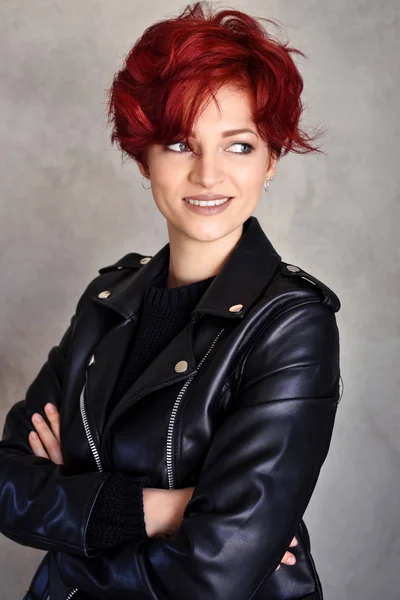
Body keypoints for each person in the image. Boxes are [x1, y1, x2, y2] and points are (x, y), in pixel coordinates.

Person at [0, 2, 342, 599]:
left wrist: (74, 519)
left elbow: (216, 570)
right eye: (181, 144)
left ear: (272, 161)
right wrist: (163, 509)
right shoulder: (106, 300)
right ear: (143, 157)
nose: (209, 175)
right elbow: (6, 482)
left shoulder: (292, 325)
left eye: (239, 146)